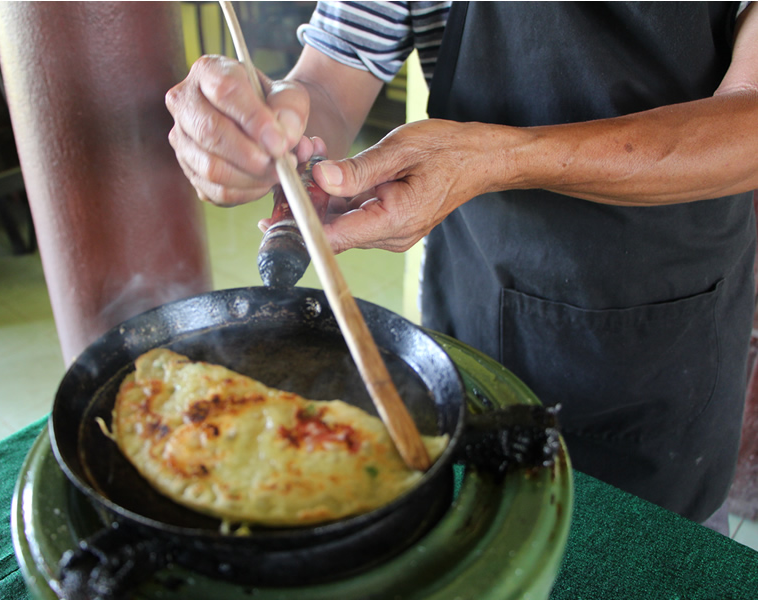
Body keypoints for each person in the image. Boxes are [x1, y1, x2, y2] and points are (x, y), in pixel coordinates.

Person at [166, 2, 758, 531]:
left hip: (670, 334)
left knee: (650, 561)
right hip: (477, 300)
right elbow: (328, 81)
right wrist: (270, 125)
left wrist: (503, 157)